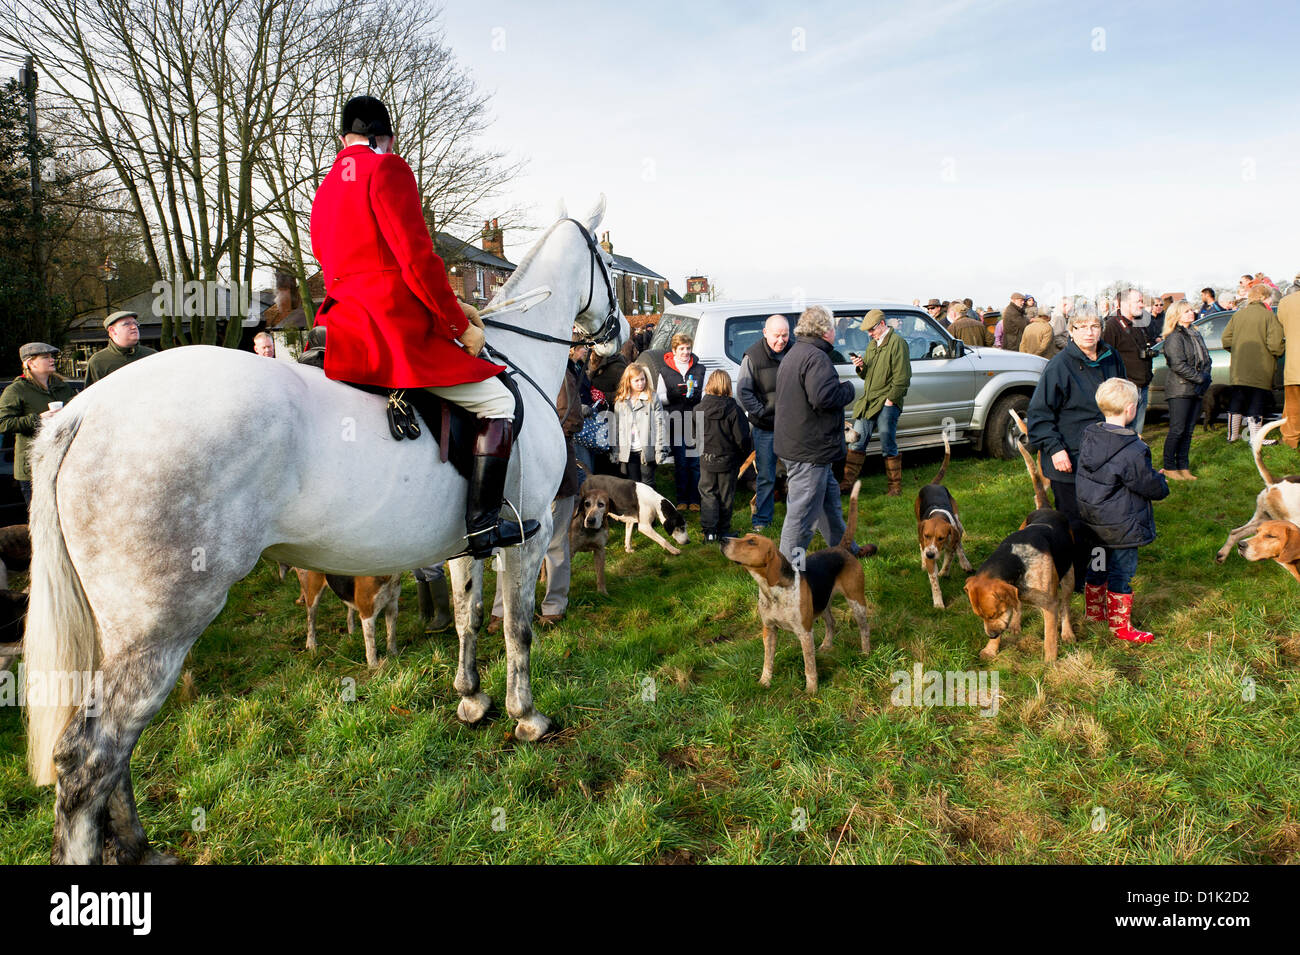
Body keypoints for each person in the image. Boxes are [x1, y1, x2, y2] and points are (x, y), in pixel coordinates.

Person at [309, 95, 536, 559]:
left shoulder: (327, 186)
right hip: (389, 327)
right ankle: (482, 529)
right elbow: (416, 260)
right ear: (385, 137)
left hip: (341, 320)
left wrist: (456, 304)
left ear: (342, 139)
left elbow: (330, 260)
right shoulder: (387, 169)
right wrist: (457, 323)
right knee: (498, 399)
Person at [1026, 310, 1127, 593]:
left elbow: (1122, 396)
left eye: (1094, 326)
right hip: (1069, 457)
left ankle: (1100, 575)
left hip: (1106, 454)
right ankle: (1076, 579)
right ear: (1070, 331)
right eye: (1081, 327)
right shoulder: (1059, 365)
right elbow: (1039, 415)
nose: (1089, 332)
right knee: (1075, 524)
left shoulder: (1112, 358)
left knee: (1104, 520)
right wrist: (1055, 449)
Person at [488, 356, 584, 630]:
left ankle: (554, 605)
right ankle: (502, 608)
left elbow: (571, 420)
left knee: (554, 543)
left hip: (555, 472)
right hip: (518, 474)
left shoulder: (560, 371)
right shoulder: (515, 362)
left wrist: (540, 433)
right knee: (508, 545)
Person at [1076, 377, 1169, 643]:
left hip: (1093, 519)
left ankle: (1094, 612)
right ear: (1131, 409)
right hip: (1122, 526)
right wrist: (1160, 481)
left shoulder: (1090, 435)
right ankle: (1120, 626)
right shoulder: (1134, 449)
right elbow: (1146, 484)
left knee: (1097, 563)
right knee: (1121, 571)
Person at [775, 305, 872, 561]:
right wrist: (848, 390)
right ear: (824, 330)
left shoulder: (797, 352)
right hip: (809, 452)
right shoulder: (816, 358)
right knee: (802, 517)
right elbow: (823, 397)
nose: (834, 332)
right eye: (831, 327)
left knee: (829, 508)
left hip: (803, 447)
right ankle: (787, 571)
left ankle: (847, 552)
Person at [0, 343, 79, 508]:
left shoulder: (62, 387)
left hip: (64, 464)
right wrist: (38, 419)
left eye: (52, 356)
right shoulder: (16, 390)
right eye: (45, 357)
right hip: (33, 469)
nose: (52, 360)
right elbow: (3, 423)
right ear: (30, 363)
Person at [846, 308, 911, 495]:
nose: (870, 334)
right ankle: (847, 484)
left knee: (887, 443)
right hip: (869, 401)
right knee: (856, 441)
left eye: (872, 330)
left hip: (887, 402)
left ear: (882, 324)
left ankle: (894, 487)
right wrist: (860, 367)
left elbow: (903, 378)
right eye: (867, 331)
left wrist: (891, 401)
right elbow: (867, 375)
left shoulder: (898, 343)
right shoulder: (872, 345)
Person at [737, 314, 789, 531]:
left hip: (791, 427)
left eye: (785, 335)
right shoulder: (752, 357)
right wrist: (762, 412)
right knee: (766, 476)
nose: (781, 340)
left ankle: (798, 520)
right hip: (765, 428)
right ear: (765, 333)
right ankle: (762, 521)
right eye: (776, 335)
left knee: (797, 475)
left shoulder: (794, 352)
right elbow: (743, 391)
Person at [1221, 282, 1284, 444]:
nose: (1271, 301)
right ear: (1264, 298)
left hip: (1239, 368)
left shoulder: (1238, 314)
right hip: (1261, 368)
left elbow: (1226, 340)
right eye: (1270, 298)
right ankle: (1255, 438)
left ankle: (1232, 435)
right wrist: (1280, 351)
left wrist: (1238, 352)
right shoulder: (1269, 316)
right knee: (1257, 400)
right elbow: (1276, 345)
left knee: (1237, 398)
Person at [696, 370, 751, 542]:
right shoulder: (734, 409)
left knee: (708, 493)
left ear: (709, 385)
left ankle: (710, 532)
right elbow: (742, 438)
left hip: (706, 459)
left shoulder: (699, 408)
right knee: (726, 495)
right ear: (727, 385)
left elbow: (693, 436)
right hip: (728, 460)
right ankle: (723, 531)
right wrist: (743, 454)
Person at [1159, 301, 1212, 480]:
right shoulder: (1174, 336)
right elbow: (1177, 364)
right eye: (1186, 311)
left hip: (1196, 389)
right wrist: (1200, 378)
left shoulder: (1195, 333)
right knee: (1177, 430)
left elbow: (1207, 359)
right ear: (1177, 315)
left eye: (1191, 310)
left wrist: (1205, 378)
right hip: (1179, 389)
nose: (1191, 313)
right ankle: (1169, 467)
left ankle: (1183, 466)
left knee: (1189, 431)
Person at [655, 333, 707, 511]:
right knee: (681, 461)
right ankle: (682, 499)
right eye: (682, 349)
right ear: (674, 350)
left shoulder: (700, 369)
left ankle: (695, 499)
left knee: (695, 462)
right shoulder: (665, 371)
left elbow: (707, 393)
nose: (685, 352)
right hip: (676, 419)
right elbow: (659, 397)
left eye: (688, 348)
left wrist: (698, 395)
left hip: (695, 419)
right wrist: (673, 395)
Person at [1102, 289, 1156, 436]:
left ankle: (1136, 453)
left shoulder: (1141, 323)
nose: (1142, 304)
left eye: (1142, 301)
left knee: (1137, 432)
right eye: (1138, 301)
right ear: (1124, 303)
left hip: (1142, 384)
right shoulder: (1112, 325)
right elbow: (1105, 357)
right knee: (1123, 433)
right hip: (1125, 388)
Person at [609, 361, 669, 485]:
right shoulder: (621, 401)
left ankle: (651, 505)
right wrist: (615, 451)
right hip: (629, 452)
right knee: (633, 486)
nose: (641, 383)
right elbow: (616, 428)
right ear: (628, 382)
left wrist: (660, 450)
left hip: (647, 450)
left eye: (642, 379)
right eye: (636, 380)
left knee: (648, 484)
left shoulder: (652, 398)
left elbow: (660, 425)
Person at [85, 311, 157, 384]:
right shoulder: (98, 362)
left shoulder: (152, 355)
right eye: (126, 324)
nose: (134, 327)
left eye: (135, 323)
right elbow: (92, 394)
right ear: (112, 330)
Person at [1278, 285, 1300, 449]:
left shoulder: (1285, 302)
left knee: (1293, 406)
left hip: (1294, 363)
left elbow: (1279, 331)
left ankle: (1291, 441)